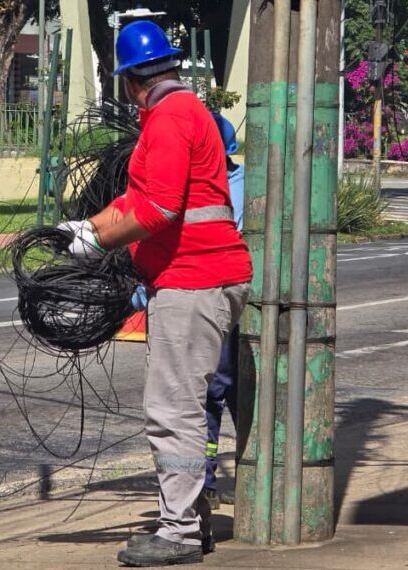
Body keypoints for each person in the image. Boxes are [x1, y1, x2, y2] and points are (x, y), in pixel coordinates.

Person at [59, 20, 252, 567]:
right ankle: (189, 521)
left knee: (173, 409)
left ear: (128, 80)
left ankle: (180, 532)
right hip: (201, 276)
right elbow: (140, 200)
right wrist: (86, 229)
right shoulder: (183, 112)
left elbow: (155, 210)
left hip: (195, 279)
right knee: (183, 404)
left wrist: (93, 241)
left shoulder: (169, 119)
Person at [203, 113, 245, 511]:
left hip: (227, 301)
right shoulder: (207, 185)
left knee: (217, 391)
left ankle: (207, 479)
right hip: (216, 302)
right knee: (220, 391)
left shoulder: (240, 187)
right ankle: (207, 479)